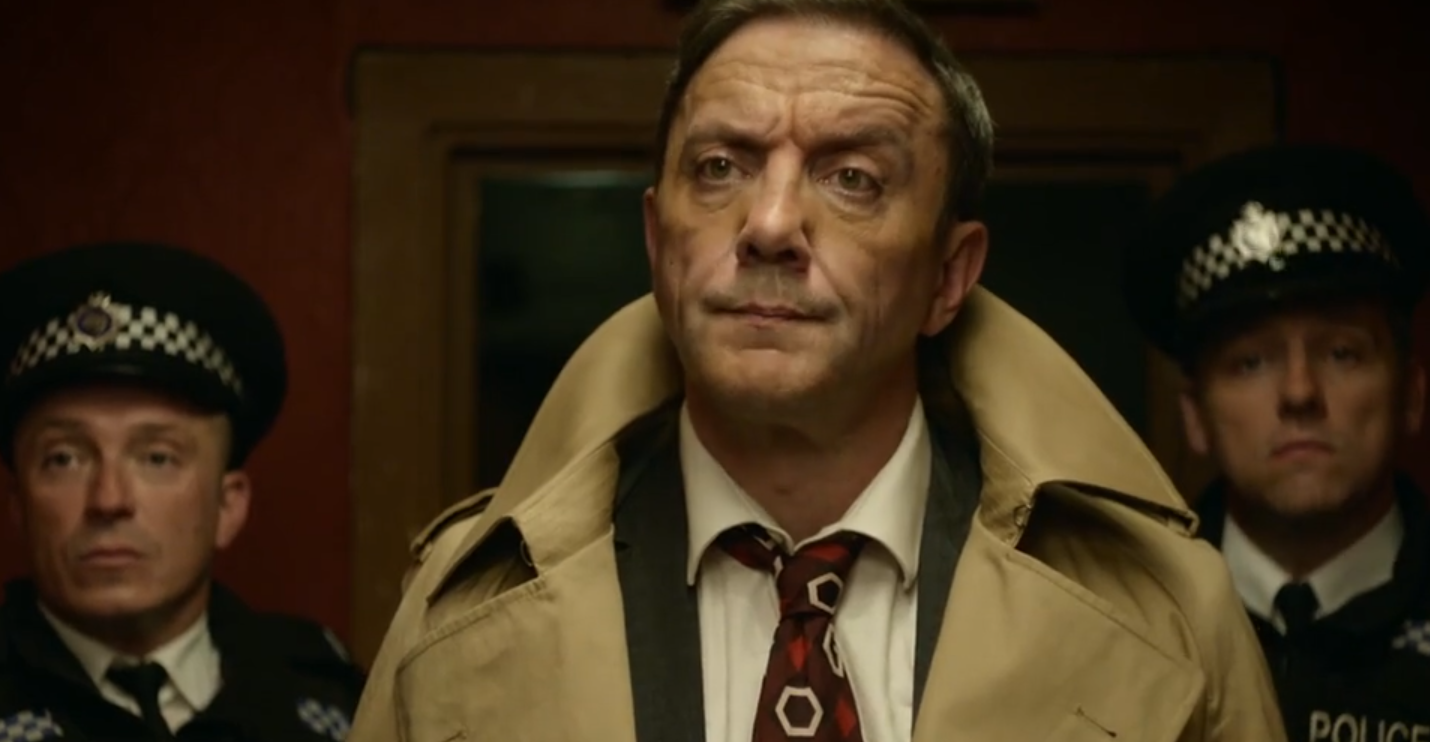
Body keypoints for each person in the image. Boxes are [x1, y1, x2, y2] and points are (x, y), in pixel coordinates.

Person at [350, 0, 1286, 739]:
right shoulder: (454, 612)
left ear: (949, 276)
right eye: (721, 167)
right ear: (657, 242)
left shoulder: (1168, 613)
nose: (768, 225)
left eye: (852, 179)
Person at [1123, 143, 1430, 740]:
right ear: (1196, 416)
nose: (1298, 392)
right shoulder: (1123, 620)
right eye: (1250, 362)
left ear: (1411, 394)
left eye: (1342, 353)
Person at [0, 241, 365, 741]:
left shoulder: (326, 700)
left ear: (228, 505)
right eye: (64, 458)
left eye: (157, 458)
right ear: (18, 505)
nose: (109, 500)